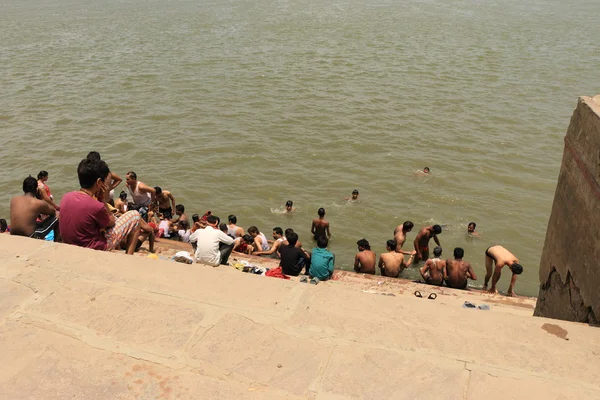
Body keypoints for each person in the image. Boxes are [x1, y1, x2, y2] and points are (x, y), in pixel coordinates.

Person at [60, 159, 141, 254]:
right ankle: (128, 257)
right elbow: (112, 223)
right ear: (99, 182)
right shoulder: (96, 206)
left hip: (71, 244)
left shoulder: (66, 197)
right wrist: (102, 199)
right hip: (94, 247)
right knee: (135, 216)